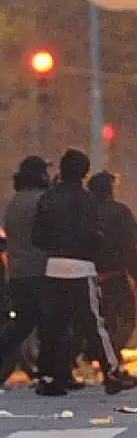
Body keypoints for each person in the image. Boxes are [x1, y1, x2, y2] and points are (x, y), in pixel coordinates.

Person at [32, 149, 137, 396]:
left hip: (54, 267)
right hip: (81, 269)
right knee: (94, 325)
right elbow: (95, 236)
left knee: (54, 325)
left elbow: (37, 237)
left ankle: (52, 378)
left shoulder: (48, 198)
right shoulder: (87, 200)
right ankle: (112, 374)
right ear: (84, 173)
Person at [0, 158, 53, 389]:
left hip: (17, 272)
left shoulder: (14, 202)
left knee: (22, 323)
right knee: (49, 322)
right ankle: (49, 371)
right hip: (40, 270)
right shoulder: (42, 200)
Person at [88, 172, 137, 353]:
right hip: (115, 276)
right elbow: (131, 243)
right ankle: (111, 353)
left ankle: (102, 354)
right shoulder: (119, 211)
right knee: (126, 318)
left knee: (101, 319)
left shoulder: (84, 212)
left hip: (89, 277)